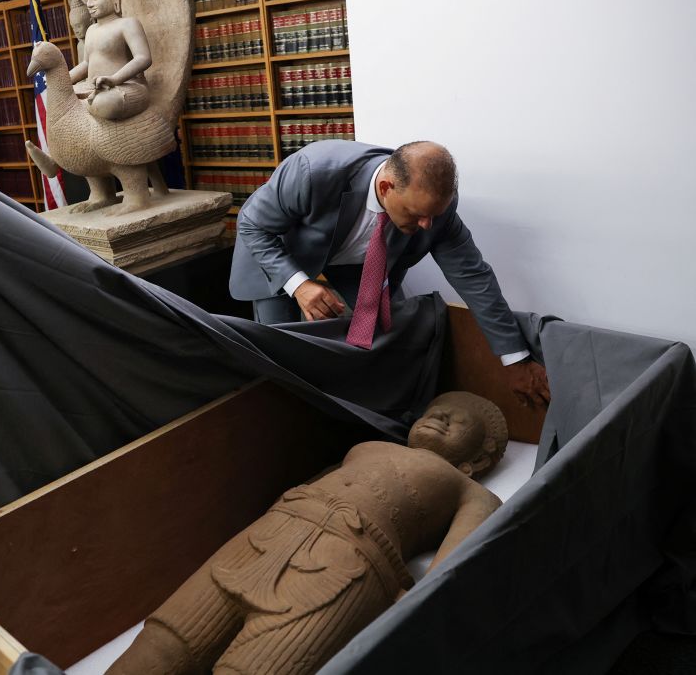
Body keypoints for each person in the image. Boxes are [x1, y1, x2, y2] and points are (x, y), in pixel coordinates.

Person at [108, 392, 508, 675]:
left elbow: (452, 566)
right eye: (437, 408)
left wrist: (407, 610)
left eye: (458, 421)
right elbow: (316, 480)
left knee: (255, 668)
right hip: (273, 528)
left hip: (349, 561)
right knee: (165, 642)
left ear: (477, 458)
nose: (440, 416)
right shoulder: (364, 448)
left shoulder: (471, 492)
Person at [229, 139, 550, 408]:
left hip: (357, 262)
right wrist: (298, 284)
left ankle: (365, 408)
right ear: (386, 188)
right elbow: (252, 224)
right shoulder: (314, 171)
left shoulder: (435, 210)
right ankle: (292, 414)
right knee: (278, 352)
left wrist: (516, 359)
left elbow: (474, 278)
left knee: (390, 331)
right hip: (282, 255)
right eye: (417, 215)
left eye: (433, 216)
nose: (427, 226)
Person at [68, 0, 152, 121]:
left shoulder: (127, 24)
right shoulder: (91, 30)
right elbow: (86, 64)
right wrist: (62, 80)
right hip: (93, 88)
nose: (89, 4)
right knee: (58, 100)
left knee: (106, 103)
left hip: (125, 86)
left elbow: (143, 58)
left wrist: (115, 79)